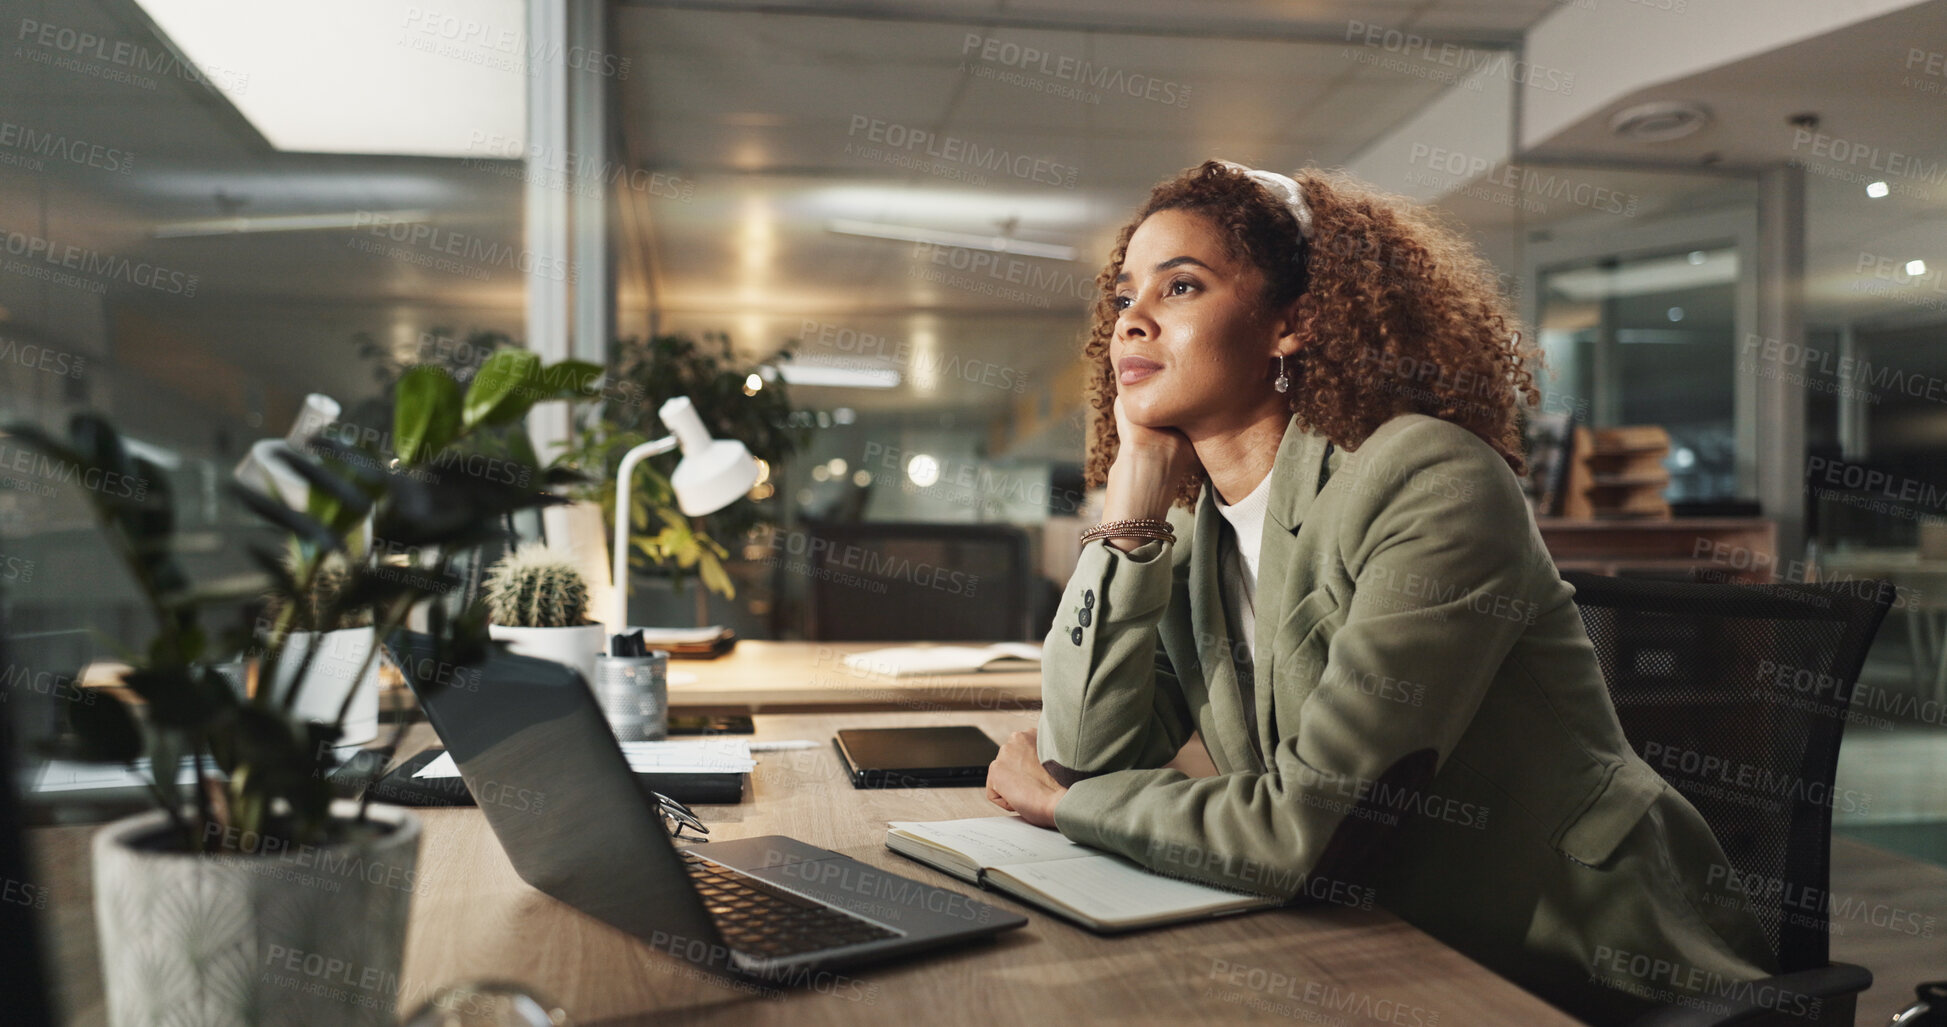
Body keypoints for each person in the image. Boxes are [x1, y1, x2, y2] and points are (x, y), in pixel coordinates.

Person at [983, 159, 1780, 1024]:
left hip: (1573, 964)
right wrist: (1131, 502)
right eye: (1123, 297)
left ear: (1294, 322)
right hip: (1365, 938)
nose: (1131, 320)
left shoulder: (1427, 475)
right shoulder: (1193, 533)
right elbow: (1083, 754)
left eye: (1179, 286)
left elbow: (1301, 833)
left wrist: (1065, 804)